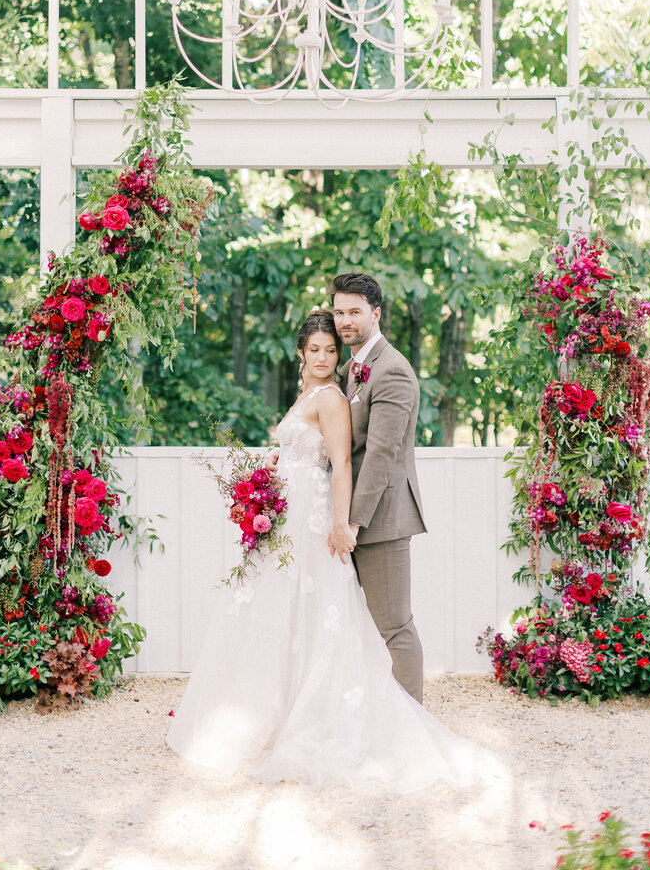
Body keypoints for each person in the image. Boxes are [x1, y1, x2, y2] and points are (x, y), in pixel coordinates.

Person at [166, 308, 505, 793]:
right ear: (301, 354)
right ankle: (278, 712)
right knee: (288, 615)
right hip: (292, 518)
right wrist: (264, 482)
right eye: (316, 348)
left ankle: (407, 724)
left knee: (382, 623)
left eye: (332, 345)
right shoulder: (331, 382)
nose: (325, 355)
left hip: (336, 515)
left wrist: (345, 523)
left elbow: (355, 460)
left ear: (375, 313)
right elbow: (305, 450)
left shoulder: (360, 384)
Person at [329, 271, 426, 702]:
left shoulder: (392, 371)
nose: (345, 320)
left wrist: (351, 523)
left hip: (380, 520)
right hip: (351, 520)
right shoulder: (349, 368)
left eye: (354, 311)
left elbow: (381, 457)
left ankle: (415, 730)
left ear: (376, 313)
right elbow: (344, 441)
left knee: (395, 626)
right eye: (339, 311)